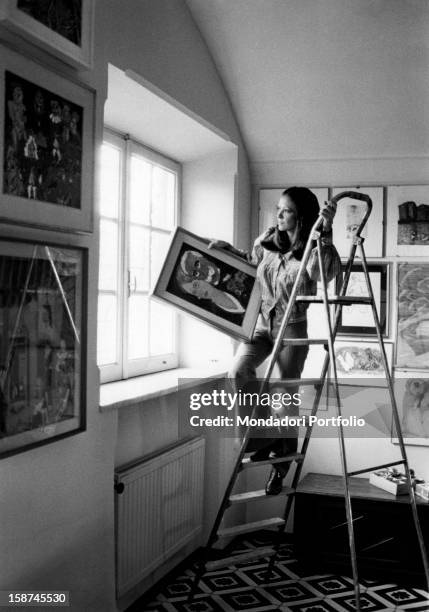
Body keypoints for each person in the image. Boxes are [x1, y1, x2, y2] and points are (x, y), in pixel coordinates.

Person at [209, 187, 341, 495]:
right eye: (278, 209)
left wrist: (326, 231)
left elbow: (326, 273)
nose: (278, 215)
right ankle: (259, 437)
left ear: (301, 217)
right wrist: (225, 248)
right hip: (261, 326)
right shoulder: (266, 241)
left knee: (285, 397)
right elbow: (249, 262)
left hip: (292, 326)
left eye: (286, 211)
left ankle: (279, 467)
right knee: (238, 373)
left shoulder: (311, 247)